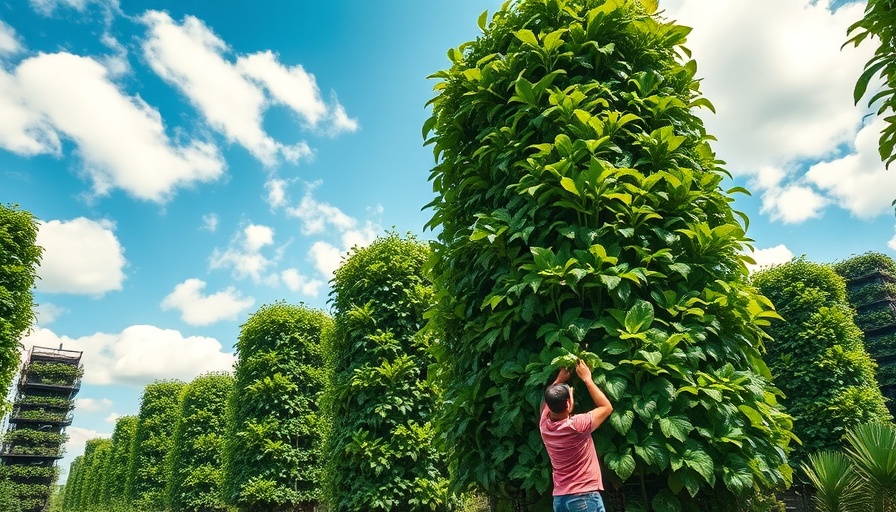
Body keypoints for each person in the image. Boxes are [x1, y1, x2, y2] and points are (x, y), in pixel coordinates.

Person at [540, 359, 614, 512]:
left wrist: (559, 380)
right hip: (583, 496)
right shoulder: (577, 425)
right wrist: (587, 379)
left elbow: (548, 403)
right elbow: (606, 407)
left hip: (560, 498)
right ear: (567, 403)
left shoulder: (544, 426)